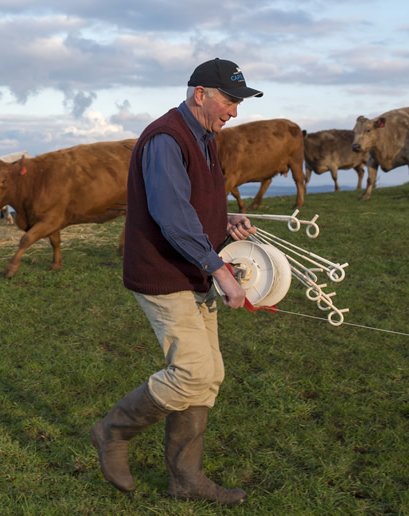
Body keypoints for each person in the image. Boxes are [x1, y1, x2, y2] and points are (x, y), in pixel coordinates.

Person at [91, 58, 261, 506]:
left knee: (209, 377)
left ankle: (185, 482)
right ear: (200, 93)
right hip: (163, 274)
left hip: (190, 269)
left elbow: (193, 206)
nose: (234, 112)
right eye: (229, 101)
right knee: (192, 373)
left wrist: (226, 224)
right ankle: (111, 431)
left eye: (239, 103)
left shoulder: (204, 137)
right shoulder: (167, 138)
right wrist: (220, 268)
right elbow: (171, 215)